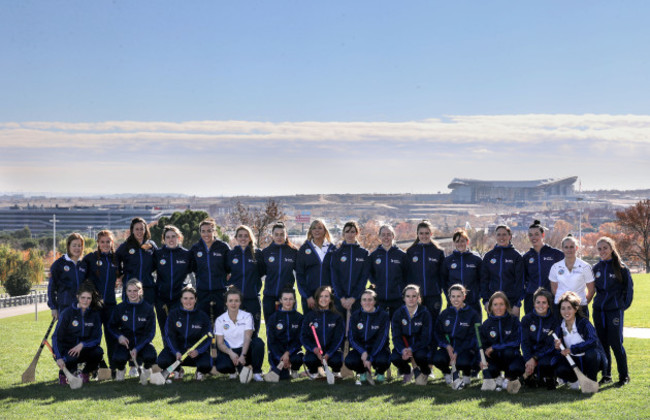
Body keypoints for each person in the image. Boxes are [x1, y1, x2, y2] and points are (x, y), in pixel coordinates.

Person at [592, 237, 634, 386]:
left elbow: (628, 292)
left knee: (616, 343)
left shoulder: (621, 268)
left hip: (614, 312)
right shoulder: (596, 268)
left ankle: (624, 376)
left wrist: (620, 307)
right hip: (599, 311)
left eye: (605, 248)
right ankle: (606, 375)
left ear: (611, 248)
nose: (602, 251)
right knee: (602, 344)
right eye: (599, 249)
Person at [83, 230, 120, 373]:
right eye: (102, 242)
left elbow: (124, 273)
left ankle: (115, 368)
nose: (105, 244)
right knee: (94, 338)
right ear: (98, 243)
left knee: (112, 337)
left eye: (108, 241)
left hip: (110, 305)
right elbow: (81, 277)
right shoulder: (90, 258)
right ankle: (94, 368)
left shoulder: (116, 259)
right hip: (94, 307)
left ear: (112, 243)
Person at [52, 283, 104, 385]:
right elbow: (56, 337)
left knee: (98, 353)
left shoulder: (94, 315)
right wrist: (58, 357)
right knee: (71, 358)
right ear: (77, 297)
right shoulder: (67, 313)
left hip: (84, 349)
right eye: (83, 297)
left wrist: (82, 344)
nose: (86, 301)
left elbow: (97, 338)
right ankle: (63, 373)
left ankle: (85, 373)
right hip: (68, 352)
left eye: (89, 298)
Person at [157, 286, 212, 381]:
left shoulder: (202, 316)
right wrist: (176, 351)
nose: (188, 301)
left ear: (196, 299)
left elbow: (208, 338)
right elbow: (169, 336)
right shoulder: (173, 315)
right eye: (185, 298)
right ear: (181, 300)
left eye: (191, 298)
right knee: (162, 361)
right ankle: (178, 370)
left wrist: (198, 351)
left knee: (207, 364)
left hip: (195, 353)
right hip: (178, 353)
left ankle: (200, 372)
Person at [554, 291, 607, 389]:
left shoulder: (584, 323)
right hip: (574, 361)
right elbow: (558, 347)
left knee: (591, 353)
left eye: (569, 308)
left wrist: (572, 349)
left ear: (576, 308)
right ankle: (575, 379)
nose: (566, 312)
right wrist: (557, 346)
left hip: (591, 360)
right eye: (563, 308)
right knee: (558, 368)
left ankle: (591, 381)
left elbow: (593, 340)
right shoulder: (560, 326)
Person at [108, 279, 157, 383]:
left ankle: (147, 369)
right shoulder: (120, 308)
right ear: (126, 292)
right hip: (125, 344)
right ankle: (121, 370)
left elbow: (150, 333)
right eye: (129, 291)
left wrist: (137, 348)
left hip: (142, 343)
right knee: (118, 358)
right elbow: (112, 326)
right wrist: (119, 336)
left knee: (151, 356)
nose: (132, 293)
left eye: (135, 290)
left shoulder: (148, 309)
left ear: (141, 291)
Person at [431, 284, 480, 388]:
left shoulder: (472, 314)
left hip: (465, 349)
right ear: (449, 298)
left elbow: (473, 337)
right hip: (449, 348)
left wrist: (457, 351)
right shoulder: (445, 314)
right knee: (437, 358)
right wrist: (447, 346)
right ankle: (447, 373)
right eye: (453, 296)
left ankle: (466, 374)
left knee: (463, 362)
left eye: (459, 296)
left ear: (464, 297)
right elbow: (438, 332)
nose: (456, 299)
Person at [214, 287, 266, 381]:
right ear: (226, 302)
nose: (233, 303)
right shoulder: (220, 320)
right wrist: (231, 353)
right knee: (222, 366)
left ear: (240, 302)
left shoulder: (247, 316)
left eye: (236, 301)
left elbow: (247, 338)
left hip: (244, 351)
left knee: (258, 343)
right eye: (230, 301)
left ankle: (256, 372)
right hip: (230, 351)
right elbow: (220, 343)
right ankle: (234, 370)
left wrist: (243, 355)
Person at [479, 292, 525, 391]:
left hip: (511, 357)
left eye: (501, 304)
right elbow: (483, 346)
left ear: (506, 306)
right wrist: (482, 360)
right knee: (489, 369)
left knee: (510, 355)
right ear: (490, 307)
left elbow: (516, 342)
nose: (498, 308)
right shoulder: (486, 324)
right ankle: (498, 378)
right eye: (495, 304)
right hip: (495, 359)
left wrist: (495, 347)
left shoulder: (514, 321)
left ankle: (508, 378)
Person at [345, 289, 391, 385]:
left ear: (375, 301)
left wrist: (370, 357)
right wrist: (363, 352)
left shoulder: (383, 316)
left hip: (379, 349)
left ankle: (380, 371)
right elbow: (352, 338)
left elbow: (382, 339)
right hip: (361, 350)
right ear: (361, 302)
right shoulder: (355, 316)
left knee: (382, 360)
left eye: (370, 300)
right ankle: (361, 372)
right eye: (364, 300)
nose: (367, 302)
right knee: (350, 361)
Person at [153, 225, 193, 333]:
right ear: (164, 239)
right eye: (168, 237)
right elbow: (146, 270)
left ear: (179, 237)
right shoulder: (158, 254)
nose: (171, 239)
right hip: (161, 298)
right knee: (164, 330)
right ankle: (167, 349)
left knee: (178, 330)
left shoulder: (186, 254)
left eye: (173, 236)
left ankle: (179, 350)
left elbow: (197, 270)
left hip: (179, 299)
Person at [226, 225, 265, 335]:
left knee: (253, 332)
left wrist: (253, 285)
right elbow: (225, 272)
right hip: (235, 300)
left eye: (246, 236)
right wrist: (230, 284)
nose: (243, 238)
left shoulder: (258, 254)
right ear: (236, 238)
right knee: (235, 332)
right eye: (240, 236)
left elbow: (261, 272)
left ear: (250, 238)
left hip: (252, 298)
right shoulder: (231, 254)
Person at [390, 284, 433, 384]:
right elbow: (396, 336)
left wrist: (412, 348)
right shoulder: (398, 314)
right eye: (408, 296)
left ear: (418, 298)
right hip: (404, 347)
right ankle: (407, 371)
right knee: (394, 358)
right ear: (404, 298)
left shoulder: (425, 313)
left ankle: (424, 371)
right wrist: (402, 349)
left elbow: (425, 337)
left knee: (421, 356)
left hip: (420, 347)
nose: (411, 299)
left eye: (414, 296)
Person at [406, 220, 445, 326]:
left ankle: (433, 343)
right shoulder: (411, 251)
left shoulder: (438, 252)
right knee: (417, 324)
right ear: (417, 234)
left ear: (431, 234)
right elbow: (407, 275)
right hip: (416, 296)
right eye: (421, 233)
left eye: (427, 233)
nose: (424, 236)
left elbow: (443, 275)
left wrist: (441, 289)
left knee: (433, 324)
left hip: (434, 295)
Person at [480, 225, 524, 317]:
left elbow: (520, 282)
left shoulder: (516, 256)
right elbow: (484, 281)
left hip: (511, 303)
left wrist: (517, 304)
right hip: (493, 303)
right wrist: (486, 301)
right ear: (495, 236)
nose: (501, 237)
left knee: (511, 330)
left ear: (510, 236)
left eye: (504, 234)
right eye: (498, 235)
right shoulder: (489, 256)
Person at [189, 218, 230, 318]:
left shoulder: (223, 247)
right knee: (203, 321)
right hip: (202, 291)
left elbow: (230, 267)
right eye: (203, 231)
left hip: (220, 291)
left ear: (214, 231)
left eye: (209, 231)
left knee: (221, 321)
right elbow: (192, 267)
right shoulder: (195, 248)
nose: (206, 234)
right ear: (200, 232)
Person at [301, 286, 344, 378]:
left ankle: (336, 372)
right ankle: (314, 372)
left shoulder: (337, 317)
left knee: (337, 360)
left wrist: (329, 353)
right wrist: (314, 349)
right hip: (316, 351)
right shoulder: (310, 316)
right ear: (317, 299)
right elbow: (304, 337)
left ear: (331, 299)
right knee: (309, 359)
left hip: (331, 351)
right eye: (321, 296)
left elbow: (339, 338)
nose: (323, 299)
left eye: (326, 296)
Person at [520, 288, 559, 389]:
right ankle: (532, 378)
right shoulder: (526, 319)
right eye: (538, 302)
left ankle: (550, 378)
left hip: (545, 355)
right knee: (517, 366)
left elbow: (550, 345)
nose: (540, 306)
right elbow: (524, 342)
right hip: (530, 355)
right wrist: (529, 359)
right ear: (533, 303)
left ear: (548, 304)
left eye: (544, 303)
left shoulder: (554, 321)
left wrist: (535, 358)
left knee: (545, 363)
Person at [522, 220, 564, 314]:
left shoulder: (556, 254)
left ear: (543, 235)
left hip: (551, 298)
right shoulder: (526, 257)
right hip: (531, 299)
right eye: (531, 235)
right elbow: (523, 280)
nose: (534, 237)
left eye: (536, 234)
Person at [369, 224, 409, 319]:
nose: (386, 237)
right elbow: (370, 274)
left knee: (397, 329)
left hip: (398, 299)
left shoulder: (402, 255)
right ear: (379, 236)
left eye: (388, 234)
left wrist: (401, 289)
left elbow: (407, 275)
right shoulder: (373, 255)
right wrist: (377, 286)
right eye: (383, 234)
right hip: (380, 299)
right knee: (381, 329)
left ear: (393, 236)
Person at [549, 235, 594, 318]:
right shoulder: (555, 267)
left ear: (576, 248)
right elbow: (554, 289)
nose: (569, 250)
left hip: (580, 308)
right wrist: (564, 303)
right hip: (560, 307)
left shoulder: (585, 266)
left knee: (581, 331)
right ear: (562, 249)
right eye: (566, 247)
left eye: (571, 247)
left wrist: (582, 303)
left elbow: (591, 291)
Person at [441, 229, 483, 319]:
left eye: (462, 241)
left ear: (467, 242)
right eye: (457, 241)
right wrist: (450, 298)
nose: (460, 244)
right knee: (454, 330)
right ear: (454, 243)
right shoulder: (447, 261)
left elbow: (482, 280)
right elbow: (443, 281)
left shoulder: (476, 260)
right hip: (454, 303)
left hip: (473, 303)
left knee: (476, 330)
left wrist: (476, 296)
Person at [296, 219, 336, 314]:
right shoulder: (303, 249)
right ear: (310, 231)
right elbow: (300, 275)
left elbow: (337, 275)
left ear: (325, 231)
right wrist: (307, 296)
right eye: (314, 228)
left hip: (329, 296)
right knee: (311, 326)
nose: (317, 230)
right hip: (310, 298)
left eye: (319, 228)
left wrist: (333, 294)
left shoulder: (333, 249)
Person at [115, 217, 157, 305]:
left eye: (142, 229)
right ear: (132, 230)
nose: (139, 231)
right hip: (130, 287)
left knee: (147, 315)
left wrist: (150, 270)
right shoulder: (126, 246)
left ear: (145, 230)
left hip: (148, 286)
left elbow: (158, 261)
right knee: (130, 315)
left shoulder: (151, 245)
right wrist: (120, 273)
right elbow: (115, 258)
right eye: (136, 229)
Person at [331, 221, 370, 315]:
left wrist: (353, 298)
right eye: (347, 231)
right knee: (340, 328)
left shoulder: (364, 253)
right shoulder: (337, 253)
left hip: (358, 299)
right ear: (343, 233)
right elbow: (334, 277)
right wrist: (342, 298)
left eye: (352, 231)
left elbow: (364, 277)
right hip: (340, 300)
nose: (350, 234)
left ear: (357, 233)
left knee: (356, 327)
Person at [261, 222, 298, 322]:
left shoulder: (293, 252)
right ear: (272, 235)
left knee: (288, 327)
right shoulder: (266, 252)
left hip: (287, 297)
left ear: (286, 235)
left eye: (282, 234)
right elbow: (259, 272)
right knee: (270, 327)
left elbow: (301, 272)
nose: (279, 237)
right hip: (270, 296)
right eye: (276, 234)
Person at [265, 288, 304, 380]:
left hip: (292, 352)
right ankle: (277, 367)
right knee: (284, 377)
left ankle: (294, 369)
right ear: (280, 300)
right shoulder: (273, 318)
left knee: (298, 358)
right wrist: (280, 356)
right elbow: (271, 340)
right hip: (277, 353)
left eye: (291, 299)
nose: (288, 302)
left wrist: (288, 353)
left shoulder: (299, 318)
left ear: (294, 300)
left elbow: (300, 339)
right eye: (285, 299)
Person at [48, 232, 88, 318]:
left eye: (79, 245)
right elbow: (51, 288)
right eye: (74, 245)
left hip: (82, 308)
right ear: (68, 246)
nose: (77, 248)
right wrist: (53, 308)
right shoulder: (59, 264)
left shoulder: (84, 265)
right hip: (65, 308)